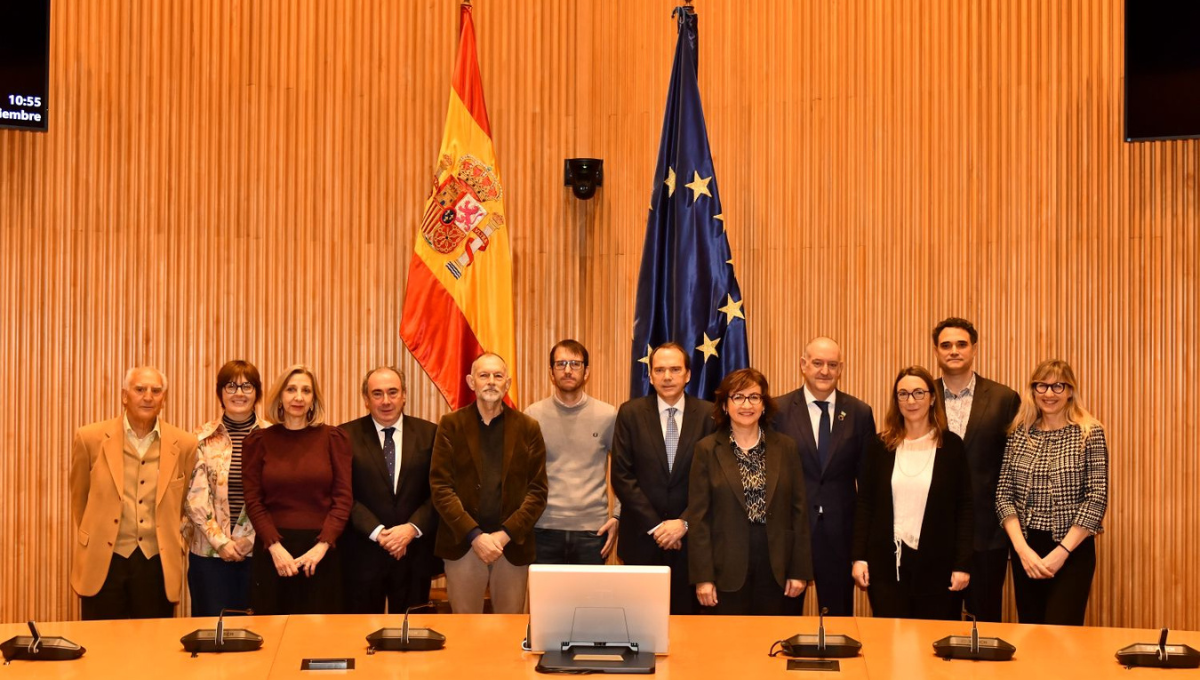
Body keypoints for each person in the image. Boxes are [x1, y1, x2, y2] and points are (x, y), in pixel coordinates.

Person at [69, 366, 199, 620]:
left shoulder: (184, 444)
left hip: (156, 561)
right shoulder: (90, 438)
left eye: (156, 391)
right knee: (101, 647)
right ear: (125, 396)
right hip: (104, 560)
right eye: (140, 389)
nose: (148, 396)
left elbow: (183, 500)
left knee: (153, 649)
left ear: (163, 399)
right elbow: (80, 498)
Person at [430, 352, 548, 614]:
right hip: (464, 544)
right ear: (472, 382)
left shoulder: (528, 427)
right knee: (465, 631)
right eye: (484, 375)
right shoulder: (450, 425)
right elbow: (441, 489)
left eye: (498, 376)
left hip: (511, 546)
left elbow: (537, 491)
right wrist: (475, 536)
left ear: (507, 383)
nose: (491, 382)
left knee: (509, 633)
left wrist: (504, 535)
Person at [688, 368, 813, 615]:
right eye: (738, 397)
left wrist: (799, 571)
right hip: (726, 566)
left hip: (777, 565)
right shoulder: (706, 450)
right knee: (729, 646)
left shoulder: (786, 447)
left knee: (774, 643)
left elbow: (799, 511)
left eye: (754, 397)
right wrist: (703, 577)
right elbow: (699, 518)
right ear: (725, 405)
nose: (747, 405)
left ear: (764, 405)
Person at [851, 366, 973, 620]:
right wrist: (859, 558)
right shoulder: (879, 446)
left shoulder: (951, 447)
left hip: (938, 566)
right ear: (896, 401)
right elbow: (865, 504)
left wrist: (962, 564)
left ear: (931, 398)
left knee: (933, 648)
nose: (911, 400)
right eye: (903, 394)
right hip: (887, 567)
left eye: (918, 393)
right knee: (890, 644)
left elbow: (965, 509)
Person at [996, 359, 1108, 626]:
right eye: (1042, 386)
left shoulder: (1089, 433)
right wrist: (1022, 550)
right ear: (1032, 391)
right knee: (1032, 632)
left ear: (1070, 391)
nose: (1049, 393)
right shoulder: (1019, 434)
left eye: (1058, 386)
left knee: (1062, 634)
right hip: (1028, 552)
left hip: (1072, 551)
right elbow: (1003, 495)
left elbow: (1096, 498)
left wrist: (1061, 553)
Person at [773, 337, 876, 616]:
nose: (824, 371)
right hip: (791, 532)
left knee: (838, 618)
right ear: (803, 365)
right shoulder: (777, 411)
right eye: (817, 363)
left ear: (840, 368)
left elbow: (868, 485)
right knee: (783, 618)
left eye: (832, 365)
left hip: (840, 533)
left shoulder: (859, 413)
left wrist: (861, 548)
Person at [612, 342, 715, 614]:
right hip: (643, 541)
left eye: (674, 369)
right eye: (659, 370)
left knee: (690, 631)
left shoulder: (709, 415)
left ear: (688, 374)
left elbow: (715, 480)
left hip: (692, 543)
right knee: (639, 625)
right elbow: (622, 476)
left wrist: (683, 522)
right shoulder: (630, 413)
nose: (667, 376)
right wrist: (658, 527)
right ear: (650, 374)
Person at [931, 317, 1021, 622]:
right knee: (935, 624)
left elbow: (1015, 467)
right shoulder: (921, 398)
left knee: (985, 625)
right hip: (935, 534)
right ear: (936, 352)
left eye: (961, 344)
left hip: (988, 533)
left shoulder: (1003, 399)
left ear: (974, 349)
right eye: (946, 345)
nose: (953, 351)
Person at [242, 365, 352, 614]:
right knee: (271, 638)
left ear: (314, 399)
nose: (299, 397)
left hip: (323, 554)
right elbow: (254, 500)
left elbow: (343, 499)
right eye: (291, 390)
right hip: (273, 555)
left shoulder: (334, 439)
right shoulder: (258, 442)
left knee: (321, 640)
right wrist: (275, 548)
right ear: (280, 396)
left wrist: (322, 546)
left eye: (306, 391)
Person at [339, 366, 440, 614]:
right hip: (362, 553)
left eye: (393, 392)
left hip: (413, 553)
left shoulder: (431, 434)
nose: (386, 401)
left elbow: (439, 492)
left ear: (404, 395)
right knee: (358, 636)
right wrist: (378, 532)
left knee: (411, 637)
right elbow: (342, 494)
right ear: (366, 399)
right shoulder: (343, 436)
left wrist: (411, 529)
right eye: (377, 393)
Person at [184, 360, 266, 617]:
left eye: (247, 386)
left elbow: (278, 497)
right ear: (219, 392)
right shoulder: (199, 438)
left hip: (260, 554)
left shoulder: (274, 436)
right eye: (231, 386)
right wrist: (221, 542)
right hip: (208, 555)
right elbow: (193, 497)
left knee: (259, 637)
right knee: (212, 636)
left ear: (258, 393)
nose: (239, 393)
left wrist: (250, 540)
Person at [526, 340, 619, 565]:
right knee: (546, 601)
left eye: (575, 364)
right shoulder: (532, 416)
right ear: (551, 372)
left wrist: (617, 515)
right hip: (543, 528)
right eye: (561, 364)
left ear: (586, 372)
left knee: (589, 600)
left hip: (592, 531)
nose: (568, 370)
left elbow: (627, 469)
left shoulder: (608, 415)